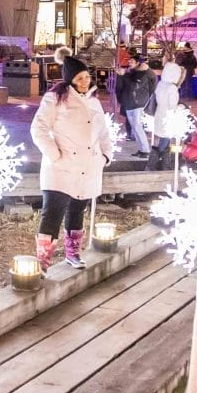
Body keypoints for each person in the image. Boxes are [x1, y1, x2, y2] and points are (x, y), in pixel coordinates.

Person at [28, 56, 115, 268]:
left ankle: (73, 253)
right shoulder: (56, 100)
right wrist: (55, 155)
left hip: (89, 166)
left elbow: (103, 132)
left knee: (77, 210)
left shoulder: (94, 102)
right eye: (80, 77)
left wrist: (105, 156)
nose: (85, 81)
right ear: (70, 80)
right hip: (62, 167)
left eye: (87, 76)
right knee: (52, 214)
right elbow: (38, 129)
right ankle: (43, 261)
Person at [116, 49, 154, 156]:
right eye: (129, 62)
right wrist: (120, 76)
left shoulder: (143, 73)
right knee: (135, 128)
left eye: (132, 61)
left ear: (138, 63)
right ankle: (142, 149)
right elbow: (121, 87)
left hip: (138, 104)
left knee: (138, 127)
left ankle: (146, 150)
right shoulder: (131, 72)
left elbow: (134, 86)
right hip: (129, 103)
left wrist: (124, 75)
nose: (129, 63)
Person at [150, 60, 185, 170]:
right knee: (165, 141)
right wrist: (182, 107)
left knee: (163, 140)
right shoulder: (172, 88)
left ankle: (159, 163)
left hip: (159, 115)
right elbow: (172, 106)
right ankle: (158, 163)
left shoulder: (161, 85)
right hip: (168, 118)